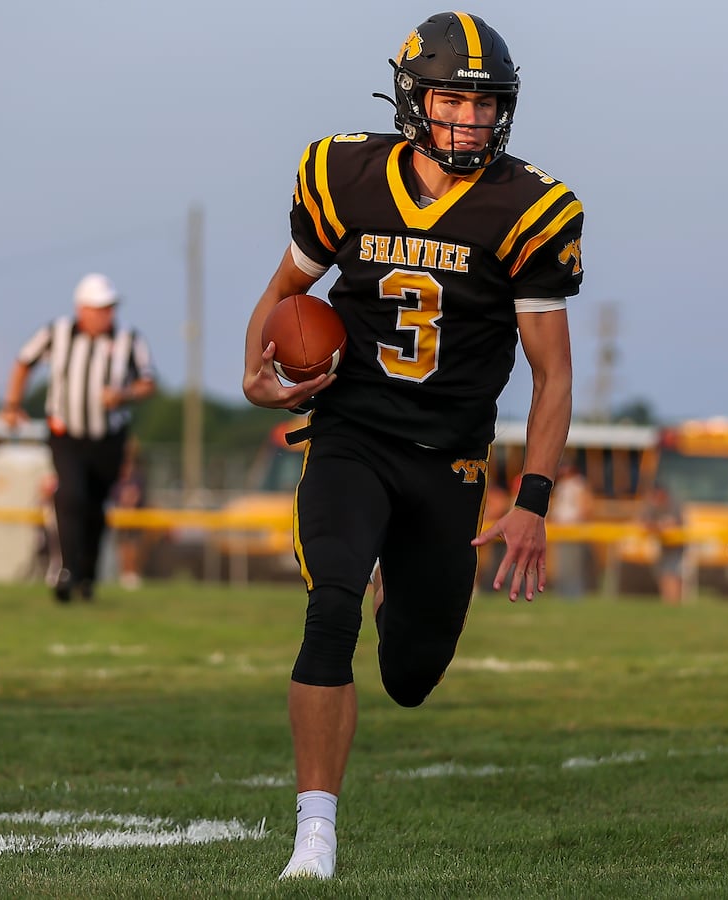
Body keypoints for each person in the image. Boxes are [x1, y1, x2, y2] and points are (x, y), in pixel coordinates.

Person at [239, 11, 581, 880]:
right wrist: (256, 373)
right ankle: (315, 832)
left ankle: (401, 578)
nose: (468, 121)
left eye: (483, 106)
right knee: (329, 609)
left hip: (450, 460)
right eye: (451, 101)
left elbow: (553, 377)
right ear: (411, 97)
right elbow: (287, 290)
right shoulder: (343, 174)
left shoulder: (532, 209)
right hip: (350, 433)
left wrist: (531, 502)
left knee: (413, 674)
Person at [2, 273, 158, 603]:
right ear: (81, 309)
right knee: (70, 494)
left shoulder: (129, 339)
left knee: (95, 505)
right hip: (66, 434)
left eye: (110, 308)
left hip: (108, 438)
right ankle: (69, 570)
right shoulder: (56, 333)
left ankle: (87, 573)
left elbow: (148, 382)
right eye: (100, 308)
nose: (107, 315)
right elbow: (23, 362)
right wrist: (12, 404)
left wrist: (123, 394)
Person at [548, 460, 591, 599]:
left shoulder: (579, 484)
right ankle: (563, 591)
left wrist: (576, 521)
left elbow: (585, 506)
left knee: (573, 563)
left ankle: (574, 593)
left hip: (573, 528)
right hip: (561, 529)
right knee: (563, 562)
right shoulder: (561, 486)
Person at [641, 484, 685, 605]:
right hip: (660, 546)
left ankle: (674, 602)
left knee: (672, 573)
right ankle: (667, 601)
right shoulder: (652, 504)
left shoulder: (674, 504)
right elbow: (643, 522)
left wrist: (657, 526)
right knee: (663, 573)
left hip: (676, 546)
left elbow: (674, 524)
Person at [110, 451, 146, 590]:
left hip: (135, 516)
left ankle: (132, 573)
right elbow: (115, 495)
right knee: (122, 545)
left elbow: (138, 496)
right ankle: (124, 573)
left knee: (133, 544)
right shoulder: (118, 477)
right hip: (121, 515)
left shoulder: (138, 477)